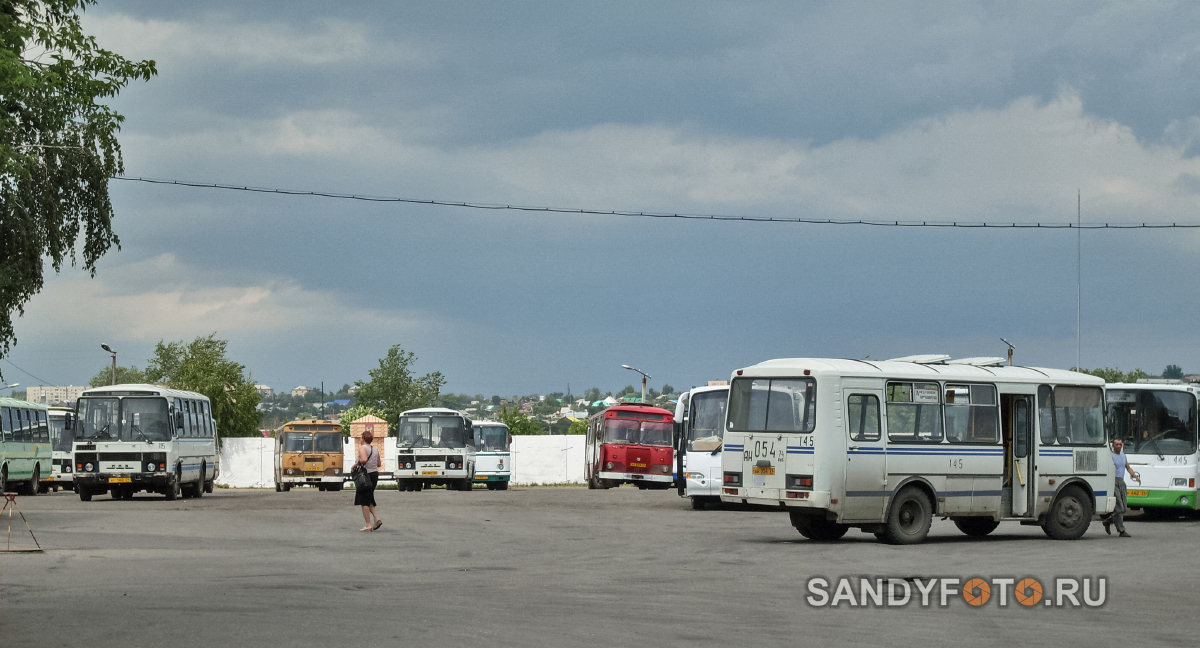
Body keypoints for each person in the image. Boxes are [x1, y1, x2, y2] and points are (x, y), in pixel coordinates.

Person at [1103, 438, 1140, 538]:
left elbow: (1127, 467)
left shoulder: (1123, 455)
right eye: (1116, 444)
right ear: (1113, 446)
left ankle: (1108, 521)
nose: (1118, 446)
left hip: (1121, 482)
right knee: (1119, 507)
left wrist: (1135, 476)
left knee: (1123, 508)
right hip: (1113, 482)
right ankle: (1121, 530)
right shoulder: (1110, 456)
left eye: (1120, 444)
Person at [354, 431, 383, 532]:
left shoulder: (363, 448)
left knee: (363, 501)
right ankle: (376, 518)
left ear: (363, 439)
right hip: (374, 474)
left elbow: (364, 460)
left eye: (361, 437)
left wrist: (355, 464)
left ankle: (368, 525)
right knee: (369, 497)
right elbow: (379, 463)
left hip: (365, 476)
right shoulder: (375, 449)